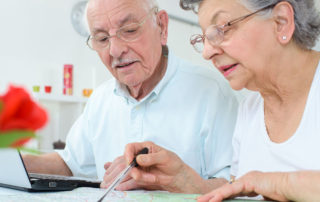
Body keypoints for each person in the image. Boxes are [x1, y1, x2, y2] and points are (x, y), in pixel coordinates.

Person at [22, 0, 239, 192]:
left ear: (162, 27)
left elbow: (237, 186)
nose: (115, 50)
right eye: (102, 38)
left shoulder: (212, 92)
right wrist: (16, 162)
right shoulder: (101, 98)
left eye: (129, 30)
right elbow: (69, 163)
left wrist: (172, 181)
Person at [124, 0, 320, 201]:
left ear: (281, 21)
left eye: (222, 29)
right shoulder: (250, 108)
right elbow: (242, 192)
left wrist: (274, 183)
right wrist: (183, 179)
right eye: (205, 38)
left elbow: (255, 183)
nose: (207, 52)